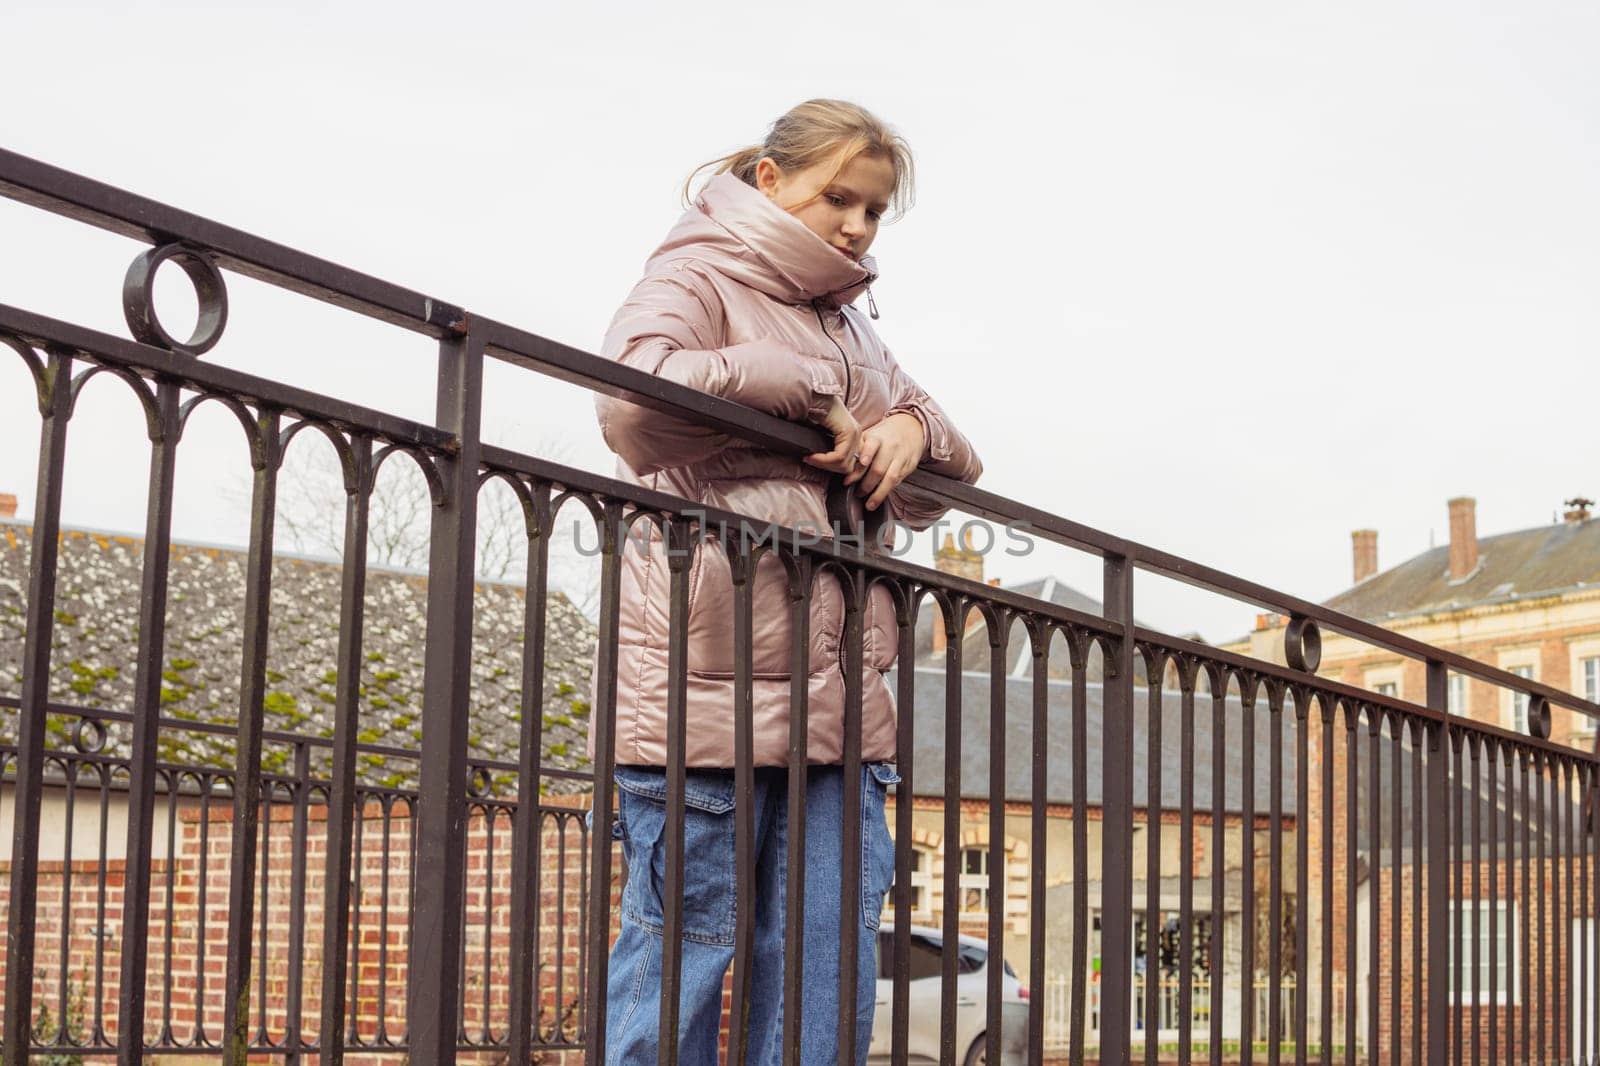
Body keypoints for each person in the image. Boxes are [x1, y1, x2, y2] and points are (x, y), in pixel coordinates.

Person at [591, 98, 983, 1064]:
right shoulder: (694, 272)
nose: (856, 225)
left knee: (824, 965)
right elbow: (632, 401)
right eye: (837, 198)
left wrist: (909, 430)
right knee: (683, 953)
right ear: (770, 181)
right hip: (699, 704)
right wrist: (813, 395)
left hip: (838, 716)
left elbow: (959, 458)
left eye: (875, 210)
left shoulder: (851, 327)